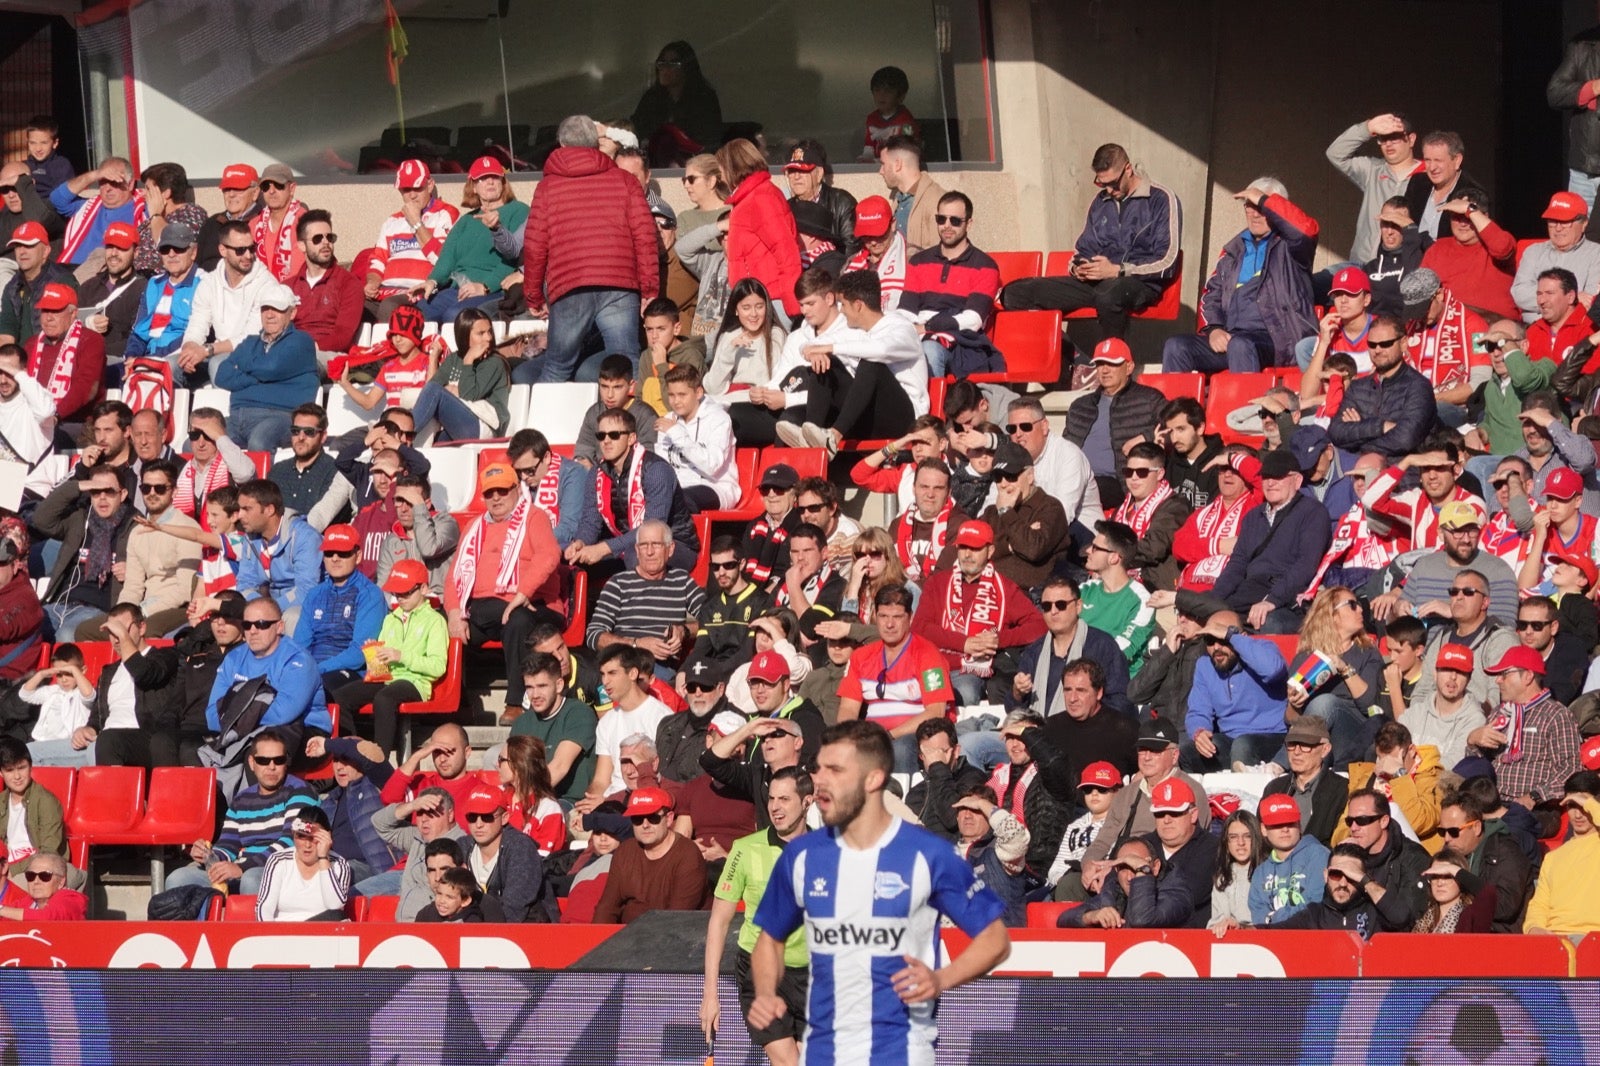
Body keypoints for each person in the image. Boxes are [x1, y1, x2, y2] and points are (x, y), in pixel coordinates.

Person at [746, 720, 1009, 1057]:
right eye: (819, 770)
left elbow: (995, 938)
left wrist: (941, 979)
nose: (820, 781)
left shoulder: (928, 854)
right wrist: (766, 991)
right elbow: (769, 939)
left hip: (900, 1048)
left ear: (873, 779)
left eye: (835, 770)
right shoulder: (802, 855)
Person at [524, 116, 656, 383]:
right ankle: (634, 423)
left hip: (570, 284)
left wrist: (534, 296)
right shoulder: (626, 182)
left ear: (561, 144)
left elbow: (535, 246)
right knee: (626, 365)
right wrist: (650, 288)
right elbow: (645, 237)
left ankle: (542, 425)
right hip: (620, 284)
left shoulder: (547, 188)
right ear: (597, 143)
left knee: (557, 368)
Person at [1001, 144, 1180, 342]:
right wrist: (1079, 267)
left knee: (1109, 295)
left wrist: (1118, 270)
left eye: (1113, 183)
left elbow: (1167, 260)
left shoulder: (1161, 199)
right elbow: (1084, 248)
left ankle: (1114, 365)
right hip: (1096, 283)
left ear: (1128, 169)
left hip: (1138, 282)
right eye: (1102, 184)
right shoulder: (1100, 202)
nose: (1109, 190)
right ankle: (1072, 359)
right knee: (1014, 293)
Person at [702, 765, 814, 1066]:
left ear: (808, 801)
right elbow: (719, 922)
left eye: (785, 799)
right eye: (772, 799)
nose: (775, 807)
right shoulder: (744, 849)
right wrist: (710, 994)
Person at [446, 462, 562, 723]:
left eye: (502, 490)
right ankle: (459, 702)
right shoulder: (474, 527)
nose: (496, 497)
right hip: (486, 610)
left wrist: (522, 593)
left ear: (516, 490)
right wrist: (455, 613)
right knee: (439, 625)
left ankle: (515, 703)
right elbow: (454, 576)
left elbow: (549, 555)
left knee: (517, 618)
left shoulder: (535, 517)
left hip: (535, 605)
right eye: (489, 493)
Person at [1161, 180, 1317, 373]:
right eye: (1249, 206)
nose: (1254, 214)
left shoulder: (1292, 248)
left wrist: (1264, 200)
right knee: (1176, 347)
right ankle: (1177, 405)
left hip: (1279, 341)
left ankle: (1246, 404)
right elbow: (1211, 295)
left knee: (1240, 346)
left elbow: (1306, 230)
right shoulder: (1233, 251)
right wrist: (1214, 329)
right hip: (1233, 338)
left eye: (1260, 207)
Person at [167, 729, 319, 894]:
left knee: (251, 879)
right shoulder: (242, 799)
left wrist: (242, 868)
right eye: (263, 761)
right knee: (178, 879)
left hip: (285, 871)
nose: (272, 766)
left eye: (279, 760)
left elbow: (292, 843)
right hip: (241, 870)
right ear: (252, 763)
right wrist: (209, 856)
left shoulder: (301, 792)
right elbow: (228, 845)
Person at [911, 520, 1044, 707]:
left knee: (965, 693)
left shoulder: (1004, 588)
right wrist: (964, 643)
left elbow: (1039, 626)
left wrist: (998, 639)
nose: (967, 554)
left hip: (970, 672)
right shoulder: (938, 582)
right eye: (963, 547)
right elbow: (920, 627)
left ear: (990, 551)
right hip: (933, 664)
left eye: (975, 548)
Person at [328, 559, 446, 761]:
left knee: (384, 699)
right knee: (340, 697)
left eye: (406, 592)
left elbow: (437, 666)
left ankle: (378, 760)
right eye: (396, 593)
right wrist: (373, 653)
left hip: (416, 682)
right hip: (387, 678)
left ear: (424, 589)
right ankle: (351, 753)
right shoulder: (391, 619)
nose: (400, 598)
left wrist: (401, 656)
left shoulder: (435, 621)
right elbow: (381, 666)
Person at [805, 270, 929, 455]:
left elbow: (882, 349)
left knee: (871, 364)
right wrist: (814, 354)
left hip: (906, 419)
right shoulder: (856, 330)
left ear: (858, 305)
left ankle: (834, 435)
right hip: (871, 415)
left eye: (843, 304)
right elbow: (810, 345)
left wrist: (831, 348)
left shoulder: (902, 329)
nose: (840, 310)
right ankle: (811, 439)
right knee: (825, 366)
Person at [836, 584, 953, 773]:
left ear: (910, 617)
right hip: (874, 738)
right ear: (875, 616)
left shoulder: (928, 654)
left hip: (916, 737)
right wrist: (850, 736)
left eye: (897, 617)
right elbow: (848, 708)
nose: (889, 624)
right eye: (883, 616)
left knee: (899, 749)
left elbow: (936, 711)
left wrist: (888, 735)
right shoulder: (860, 656)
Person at [1210, 450, 1331, 632]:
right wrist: (1214, 601)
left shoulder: (1313, 512)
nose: (1270, 482)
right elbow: (1237, 564)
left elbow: (1305, 566)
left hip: (1287, 599)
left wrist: (1271, 600)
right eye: (1266, 477)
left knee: (1270, 622)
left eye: (1278, 476)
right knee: (1207, 616)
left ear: (1297, 481)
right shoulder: (1253, 517)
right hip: (1248, 592)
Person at [413, 157, 526, 324]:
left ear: (503, 182)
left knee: (456, 317)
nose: (490, 182)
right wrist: (432, 280)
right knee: (415, 316)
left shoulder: (519, 211)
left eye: (495, 177)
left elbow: (515, 258)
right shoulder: (466, 220)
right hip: (456, 290)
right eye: (483, 178)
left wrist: (485, 286)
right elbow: (447, 258)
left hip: (494, 290)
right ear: (473, 186)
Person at [1467, 646, 1581, 808]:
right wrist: (1473, 740)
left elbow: (1571, 770)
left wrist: (1534, 797)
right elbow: (1476, 765)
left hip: (1537, 809)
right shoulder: (1499, 713)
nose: (1497, 680)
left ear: (1528, 676)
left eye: (1504, 674)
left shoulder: (1556, 715)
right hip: (1493, 802)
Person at [34, 462, 134, 642]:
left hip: (97, 610)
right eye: (96, 491)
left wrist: (133, 570)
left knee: (65, 636)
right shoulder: (80, 520)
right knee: (31, 631)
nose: (102, 498)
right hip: (59, 604)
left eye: (109, 491)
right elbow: (41, 519)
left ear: (123, 494)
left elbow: (152, 566)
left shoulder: (132, 528)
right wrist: (79, 486)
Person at [1182, 609, 1289, 773]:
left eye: (1222, 639)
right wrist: (1200, 731)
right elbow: (1198, 710)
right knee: (1187, 753)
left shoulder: (1263, 649)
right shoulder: (1204, 665)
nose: (1216, 647)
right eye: (1210, 640)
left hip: (1273, 736)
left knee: (1243, 746)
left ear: (1241, 637)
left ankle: (1246, 798)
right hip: (1230, 739)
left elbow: (1273, 670)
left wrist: (1232, 636)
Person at [591, 786, 707, 923]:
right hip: (627, 936)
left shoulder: (688, 855)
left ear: (669, 819)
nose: (645, 825)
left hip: (674, 936)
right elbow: (607, 908)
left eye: (653, 818)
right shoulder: (625, 851)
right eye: (638, 819)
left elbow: (677, 918)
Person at [364, 160, 459, 321]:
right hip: (385, 291)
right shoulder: (391, 221)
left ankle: (387, 347)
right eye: (406, 190)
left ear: (430, 185)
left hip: (419, 293)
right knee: (352, 305)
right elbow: (378, 261)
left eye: (417, 188)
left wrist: (416, 223)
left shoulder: (446, 214)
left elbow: (442, 260)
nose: (412, 195)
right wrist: (372, 282)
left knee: (389, 306)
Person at [1326, 113, 1423, 264]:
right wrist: (1368, 127)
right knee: (1317, 282)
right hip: (1362, 264)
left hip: (1401, 269)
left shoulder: (1428, 176)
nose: (1388, 144)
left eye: (1394, 137)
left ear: (1411, 139)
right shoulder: (1373, 169)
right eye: (1383, 138)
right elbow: (1335, 154)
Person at [228, 478, 323, 628]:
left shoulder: (305, 537)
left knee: (292, 617)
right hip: (270, 605)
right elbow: (245, 584)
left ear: (269, 510)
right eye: (240, 509)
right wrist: (258, 607)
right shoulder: (250, 538)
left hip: (309, 607)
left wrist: (267, 610)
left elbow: (306, 591)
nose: (239, 515)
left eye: (247, 509)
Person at [365, 786, 470, 920]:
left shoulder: (461, 846)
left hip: (431, 928)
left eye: (431, 813)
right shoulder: (418, 837)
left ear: (450, 815)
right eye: (420, 813)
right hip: (403, 927)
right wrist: (412, 806)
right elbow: (379, 823)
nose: (424, 819)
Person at [979, 440, 1071, 590]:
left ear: (1029, 476)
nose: (1003, 484)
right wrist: (1010, 546)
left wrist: (1007, 513)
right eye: (997, 477)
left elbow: (1032, 549)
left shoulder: (1050, 508)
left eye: (1010, 476)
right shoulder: (991, 512)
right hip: (989, 592)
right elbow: (974, 551)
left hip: (1031, 596)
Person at [1435, 790, 1530, 933]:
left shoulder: (1506, 852)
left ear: (1476, 827)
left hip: (1497, 939)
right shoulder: (1450, 852)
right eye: (1442, 832)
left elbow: (1504, 907)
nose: (1447, 838)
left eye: (1454, 831)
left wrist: (1462, 876)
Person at [1271, 842, 1412, 938]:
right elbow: (1274, 932)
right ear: (1326, 875)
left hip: (1369, 982)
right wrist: (1249, 930)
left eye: (1351, 877)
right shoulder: (1314, 915)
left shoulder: (1376, 910)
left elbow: (1401, 917)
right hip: (1327, 982)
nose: (1343, 883)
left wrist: (1365, 880)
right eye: (1336, 874)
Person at [458, 783, 553, 923]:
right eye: (472, 817)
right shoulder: (462, 847)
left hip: (525, 930)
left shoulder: (521, 848)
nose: (478, 824)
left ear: (504, 818)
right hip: (473, 929)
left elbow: (515, 906)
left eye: (487, 817)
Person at [1418, 189, 1517, 321]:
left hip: (1495, 325)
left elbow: (1502, 248)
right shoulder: (1438, 248)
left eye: (1468, 217)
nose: (1463, 223)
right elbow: (1421, 292)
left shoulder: (1499, 239)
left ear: (1484, 217)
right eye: (1457, 217)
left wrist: (1469, 209)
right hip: (1451, 325)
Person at [1006, 396, 1103, 529]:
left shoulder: (1069, 455)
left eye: (1025, 427)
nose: (1018, 434)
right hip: (1030, 531)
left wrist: (1026, 535)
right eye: (1012, 429)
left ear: (1044, 426)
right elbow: (992, 502)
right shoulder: (1009, 458)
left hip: (1080, 532)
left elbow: (1061, 514)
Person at [1341, 787, 1431, 928]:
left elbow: (1410, 920)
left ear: (1383, 821)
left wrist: (1364, 880)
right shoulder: (1350, 855)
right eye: (1349, 821)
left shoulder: (1413, 858)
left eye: (1362, 820)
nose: (1353, 827)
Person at [1522, 771, 1600, 935]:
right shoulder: (1553, 858)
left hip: (1593, 937)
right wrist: (1533, 927)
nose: (1578, 814)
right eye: (1572, 806)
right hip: (1554, 938)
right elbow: (1539, 905)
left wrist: (1590, 804)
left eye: (1582, 806)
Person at [654, 363, 738, 512]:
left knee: (680, 501)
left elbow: (712, 466)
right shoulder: (668, 421)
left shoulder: (719, 419)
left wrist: (677, 434)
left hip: (714, 486)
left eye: (682, 395)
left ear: (698, 393)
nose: (676, 401)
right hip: (676, 486)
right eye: (672, 395)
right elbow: (663, 465)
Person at [1060, 835, 1191, 930]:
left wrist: (1142, 870)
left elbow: (1142, 920)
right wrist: (1091, 916)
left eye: (1136, 868)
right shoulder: (1114, 889)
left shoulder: (1177, 894)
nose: (1129, 877)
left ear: (1155, 867)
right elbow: (1064, 919)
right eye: (1123, 868)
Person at [22, 282, 103, 430]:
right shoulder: (31, 344)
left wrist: (55, 415)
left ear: (73, 313)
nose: (48, 318)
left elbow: (86, 387)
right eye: (45, 311)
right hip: (32, 421)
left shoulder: (91, 341)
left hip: (76, 422)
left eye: (56, 311)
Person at [1079, 520, 1156, 674]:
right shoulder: (1084, 590)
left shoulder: (1142, 600)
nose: (1088, 551)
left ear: (1114, 558)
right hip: (1077, 677)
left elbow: (1123, 650)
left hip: (1116, 684)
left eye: (1095, 548)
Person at [632, 41, 722, 165]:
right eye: (662, 63)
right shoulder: (652, 98)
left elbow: (710, 139)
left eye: (673, 64)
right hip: (654, 164)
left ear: (686, 67)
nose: (665, 69)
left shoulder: (704, 97)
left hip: (694, 164)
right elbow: (637, 128)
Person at [125, 219, 203, 362]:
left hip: (180, 358)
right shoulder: (153, 283)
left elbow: (194, 334)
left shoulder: (204, 283)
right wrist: (132, 356)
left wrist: (153, 359)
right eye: (165, 249)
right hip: (146, 357)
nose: (171, 254)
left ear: (193, 253)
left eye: (178, 248)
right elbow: (139, 331)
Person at [1261, 717, 1346, 847]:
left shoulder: (1342, 789)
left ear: (1325, 749)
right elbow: (1260, 839)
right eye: (1292, 744)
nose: (1296, 752)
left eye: (1306, 745)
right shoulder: (1274, 789)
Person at [254, 807, 350, 922]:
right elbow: (264, 908)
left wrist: (323, 858)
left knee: (336, 916)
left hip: (322, 933)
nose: (307, 845)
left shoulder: (340, 864)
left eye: (314, 838)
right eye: (301, 836)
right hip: (284, 932)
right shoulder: (278, 860)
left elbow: (335, 906)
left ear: (327, 837)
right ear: (293, 835)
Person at [1514, 194, 1600, 321]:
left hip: (1575, 330)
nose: (1558, 228)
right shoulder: (1533, 251)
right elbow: (1519, 294)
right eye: (1553, 221)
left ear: (1584, 224)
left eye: (1565, 222)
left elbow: (1590, 300)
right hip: (1532, 327)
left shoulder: (1596, 253)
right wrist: (1571, 298)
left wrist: (1543, 297)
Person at [1249, 794, 1330, 927]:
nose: (1285, 829)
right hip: (1271, 942)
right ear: (1263, 829)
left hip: (1310, 937)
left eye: (1290, 823)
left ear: (1299, 824)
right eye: (1277, 825)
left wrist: (1273, 918)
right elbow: (1258, 916)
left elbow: (1315, 905)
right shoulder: (1261, 872)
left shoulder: (1319, 855)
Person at [0, 737, 70, 887]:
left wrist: (13, 869)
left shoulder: (47, 801)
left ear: (31, 767)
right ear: (1, 773)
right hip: (6, 865)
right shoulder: (1, 801)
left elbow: (48, 852)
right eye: (10, 770)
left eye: (22, 768)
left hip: (37, 870)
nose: (17, 776)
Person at [48, 156, 142, 269]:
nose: (108, 188)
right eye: (103, 182)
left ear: (130, 184)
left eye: (114, 182)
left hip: (112, 273)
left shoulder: (142, 211)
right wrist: (95, 175)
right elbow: (57, 199)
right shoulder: (87, 206)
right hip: (72, 270)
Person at [77, 221, 142, 360]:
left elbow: (138, 338)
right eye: (110, 246)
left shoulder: (143, 289)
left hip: (116, 362)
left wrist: (97, 353)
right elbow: (67, 327)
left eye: (121, 248)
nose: (113, 253)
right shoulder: (88, 287)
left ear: (136, 253)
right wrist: (87, 322)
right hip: (80, 359)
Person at [1207, 810, 1266, 935]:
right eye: (1233, 837)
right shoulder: (1223, 877)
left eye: (1247, 836)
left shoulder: (1269, 871)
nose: (1240, 843)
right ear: (1226, 842)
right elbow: (1217, 922)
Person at [0, 852, 85, 922]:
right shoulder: (28, 902)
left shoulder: (70, 898)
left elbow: (47, 917)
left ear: (61, 882)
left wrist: (1, 910)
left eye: (45, 876)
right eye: (31, 876)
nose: (36, 881)